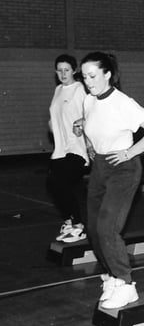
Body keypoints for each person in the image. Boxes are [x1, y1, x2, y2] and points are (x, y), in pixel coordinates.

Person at [76, 52, 144, 309]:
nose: (88, 82)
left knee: (107, 227)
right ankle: (111, 277)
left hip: (123, 168)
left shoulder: (123, 102)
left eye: (93, 76)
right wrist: (91, 145)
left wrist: (129, 152)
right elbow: (91, 124)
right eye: (84, 77)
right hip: (100, 167)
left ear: (107, 74)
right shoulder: (89, 101)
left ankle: (126, 285)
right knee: (92, 229)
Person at [48, 54, 89, 243]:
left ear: (74, 70)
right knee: (52, 184)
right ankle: (69, 222)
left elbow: (91, 113)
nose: (63, 74)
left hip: (76, 148)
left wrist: (82, 123)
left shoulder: (79, 89)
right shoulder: (58, 90)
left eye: (67, 70)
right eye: (59, 70)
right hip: (60, 149)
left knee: (61, 183)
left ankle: (79, 226)